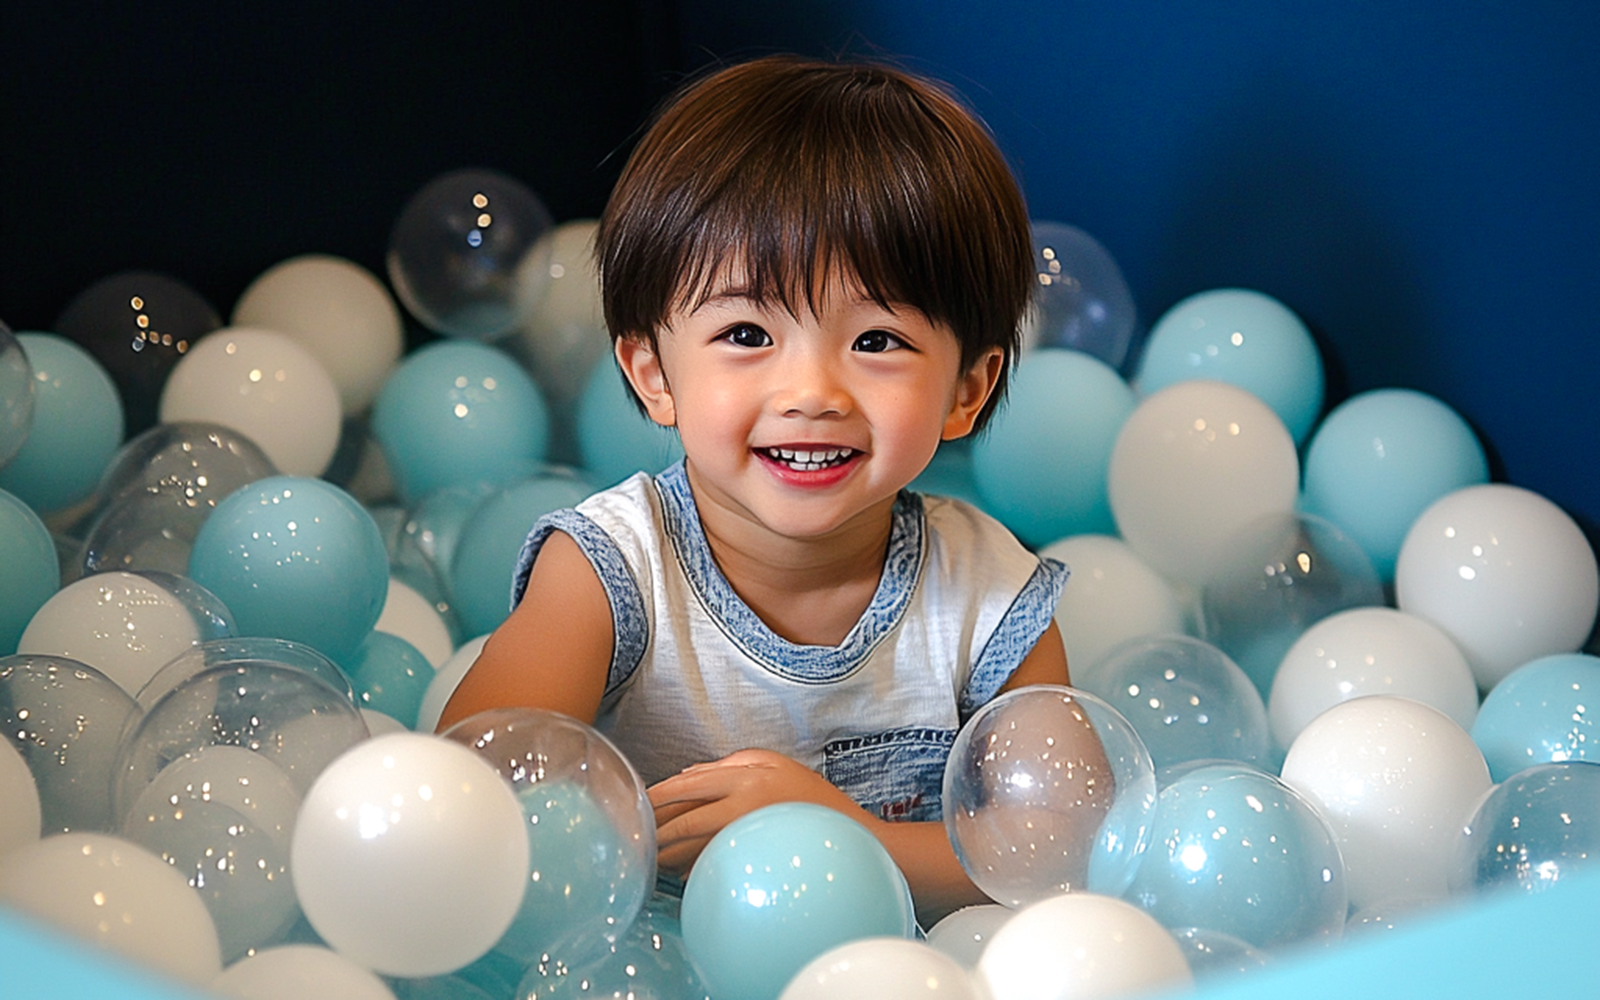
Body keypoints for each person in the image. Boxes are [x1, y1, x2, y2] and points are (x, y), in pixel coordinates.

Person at [441, 54, 1095, 922]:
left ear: (966, 390)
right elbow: (463, 793)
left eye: (878, 341)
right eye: (747, 330)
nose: (812, 392)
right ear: (651, 373)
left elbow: (1060, 850)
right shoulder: (611, 574)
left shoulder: (987, 598)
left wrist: (834, 831)